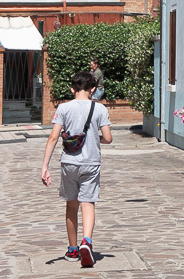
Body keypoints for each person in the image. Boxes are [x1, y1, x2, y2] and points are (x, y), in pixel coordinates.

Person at [40, 71, 112, 267]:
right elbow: (107, 138)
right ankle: (86, 242)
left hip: (69, 163)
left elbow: (53, 138)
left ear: (72, 89)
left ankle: (72, 250)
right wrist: (92, 139)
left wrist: (45, 166)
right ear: (93, 89)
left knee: (71, 205)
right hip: (91, 162)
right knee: (88, 203)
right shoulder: (100, 109)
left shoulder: (63, 108)